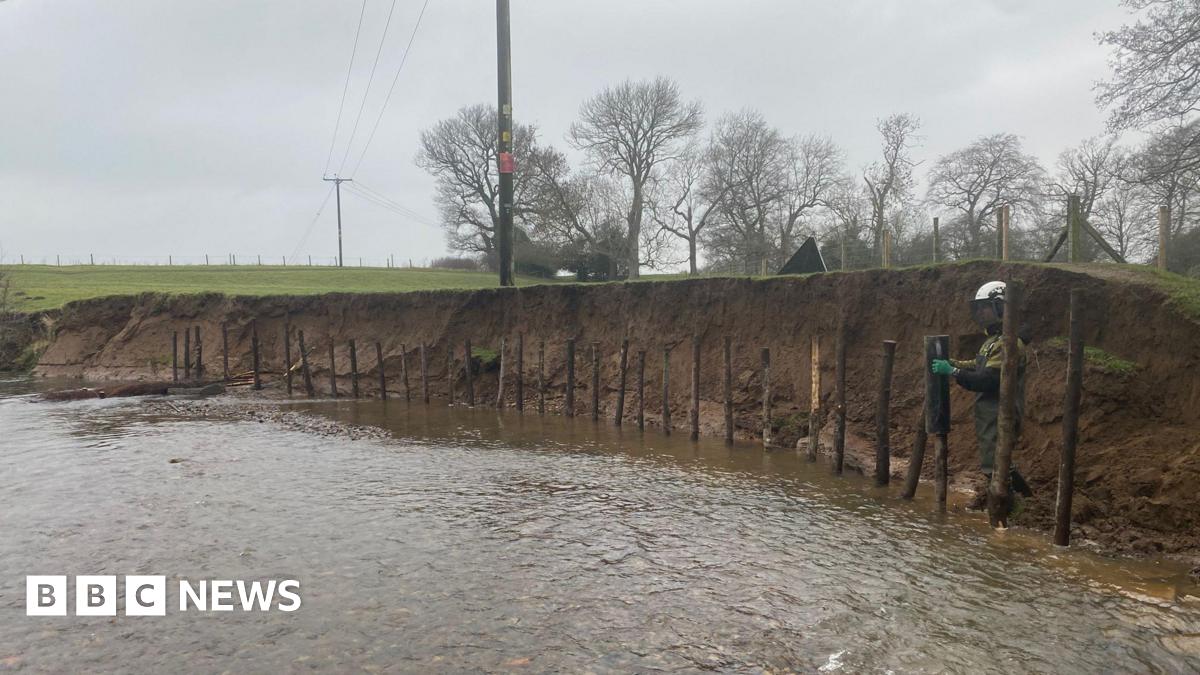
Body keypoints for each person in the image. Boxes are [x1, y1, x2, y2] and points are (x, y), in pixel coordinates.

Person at [930, 280, 1033, 500]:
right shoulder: (993, 341)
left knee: (996, 465)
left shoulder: (1009, 343)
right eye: (978, 308)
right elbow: (978, 365)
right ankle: (1018, 501)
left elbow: (988, 379)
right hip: (990, 413)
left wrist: (953, 372)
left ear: (1000, 307)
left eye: (985, 307)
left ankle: (1020, 504)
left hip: (1001, 413)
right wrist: (955, 364)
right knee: (995, 462)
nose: (980, 313)